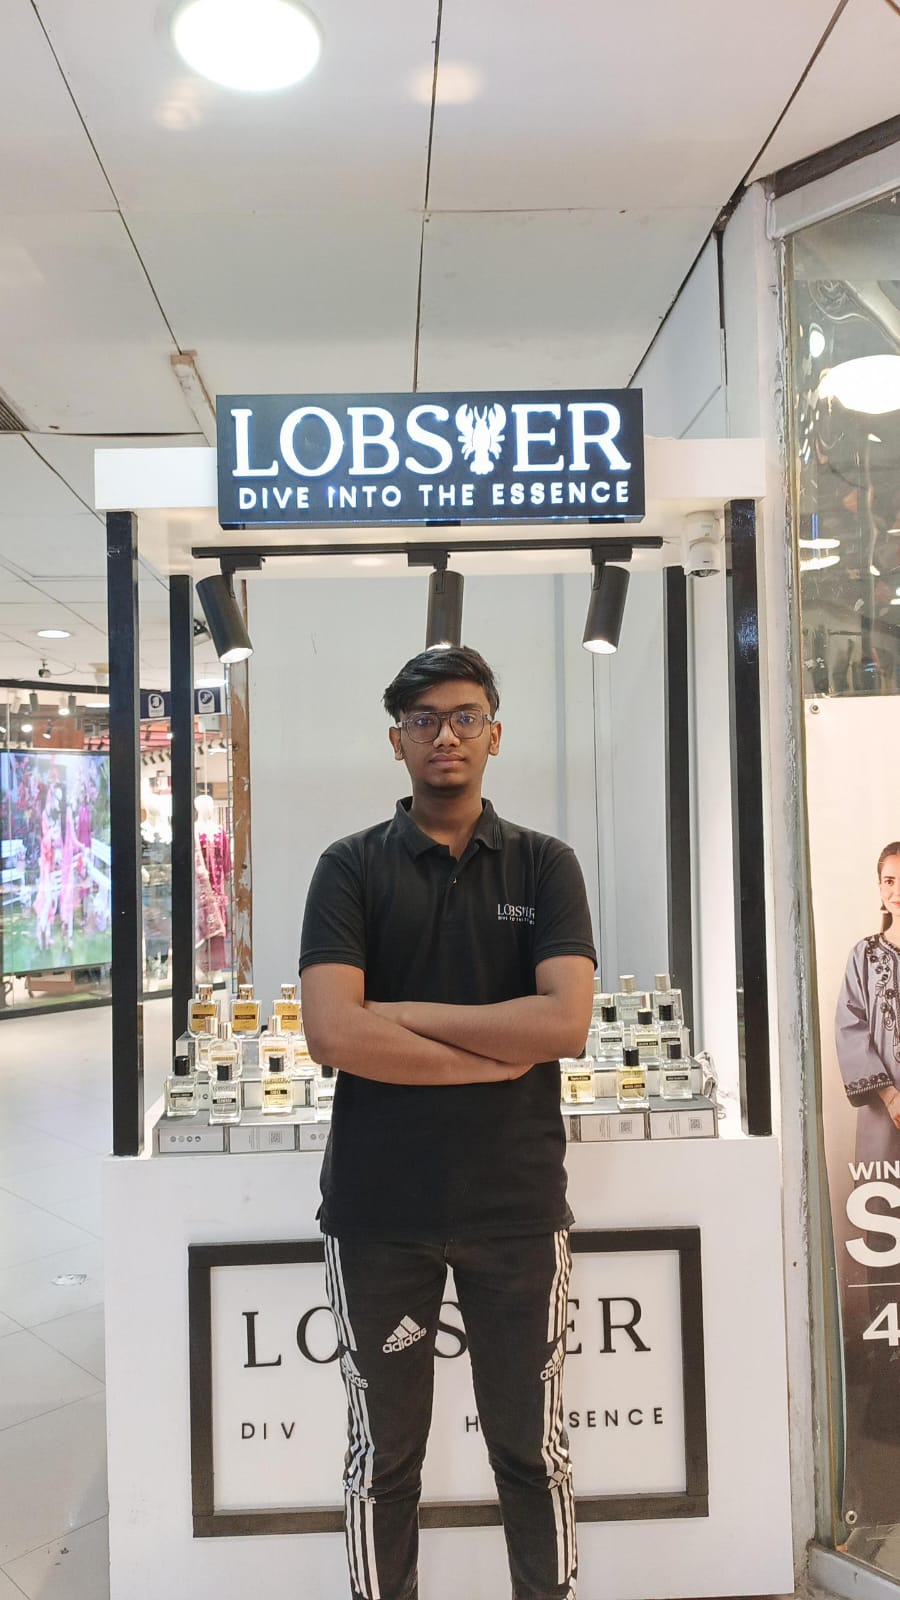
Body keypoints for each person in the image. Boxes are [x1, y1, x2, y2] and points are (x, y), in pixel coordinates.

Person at [300, 645, 595, 1600]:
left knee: (532, 1451)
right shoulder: (349, 867)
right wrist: (493, 1054)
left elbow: (565, 1023)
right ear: (398, 741)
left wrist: (403, 1015)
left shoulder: (546, 865)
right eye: (423, 720)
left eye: (465, 716)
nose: (446, 735)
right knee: (384, 1459)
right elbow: (333, 1033)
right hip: (379, 1214)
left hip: (516, 1207)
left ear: (494, 734)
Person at [836, 840, 900, 1162]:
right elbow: (850, 1029)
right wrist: (890, 1097)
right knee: (882, 1190)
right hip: (882, 1108)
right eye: (889, 881)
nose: (897, 891)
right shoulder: (864, 956)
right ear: (879, 888)